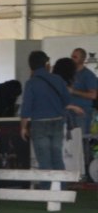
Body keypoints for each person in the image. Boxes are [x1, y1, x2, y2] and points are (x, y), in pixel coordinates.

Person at [19, 51, 69, 187]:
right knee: (57, 157)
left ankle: (47, 191)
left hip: (39, 124)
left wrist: (23, 127)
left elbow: (26, 108)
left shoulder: (31, 83)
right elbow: (67, 100)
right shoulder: (58, 79)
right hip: (58, 122)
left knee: (44, 160)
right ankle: (61, 189)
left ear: (31, 66)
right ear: (46, 63)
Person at [69, 48, 98, 176]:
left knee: (83, 140)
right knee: (71, 142)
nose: (72, 58)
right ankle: (74, 170)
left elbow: (93, 95)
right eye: (72, 56)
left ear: (83, 59)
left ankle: (86, 170)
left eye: (75, 57)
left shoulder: (88, 75)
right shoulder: (70, 74)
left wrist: (74, 91)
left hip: (83, 113)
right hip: (69, 112)